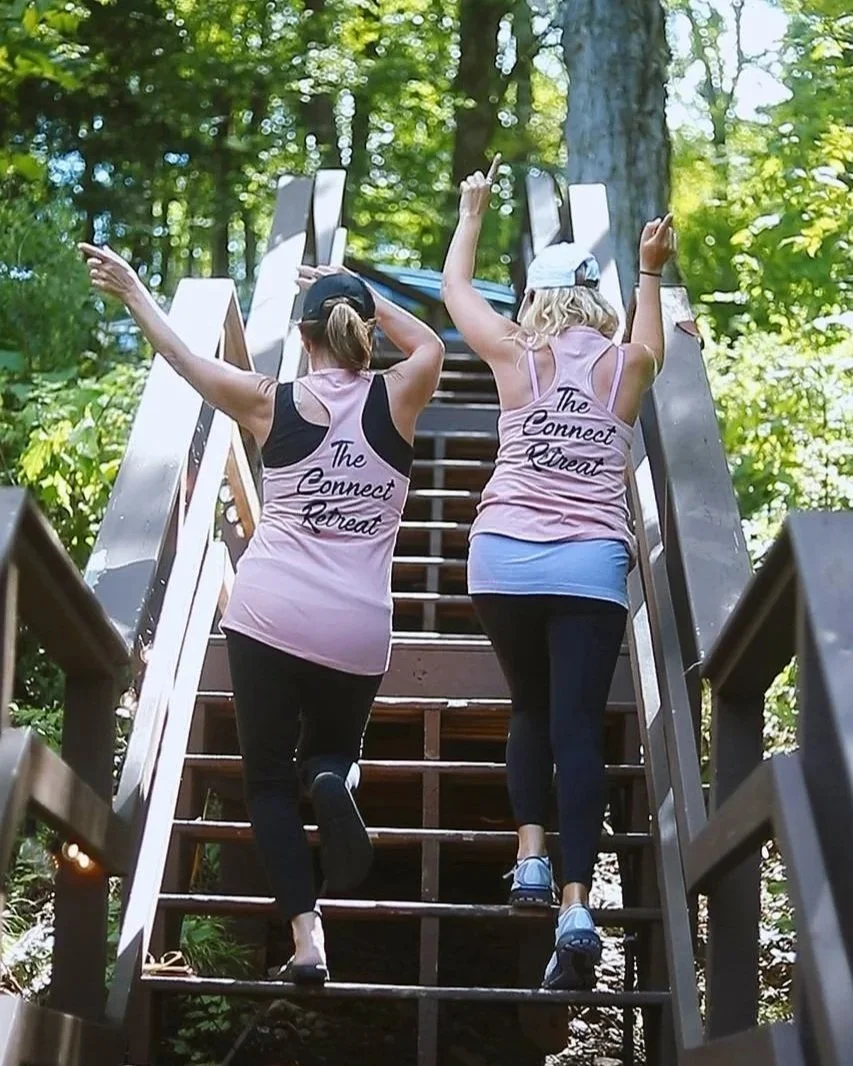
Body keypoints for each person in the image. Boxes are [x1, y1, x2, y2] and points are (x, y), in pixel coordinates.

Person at [81, 244, 445, 985]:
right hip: (355, 625)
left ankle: (308, 943)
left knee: (269, 784)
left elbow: (184, 360)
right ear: (363, 331)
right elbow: (431, 341)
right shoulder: (401, 394)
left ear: (305, 338)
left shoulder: (267, 400)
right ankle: (333, 778)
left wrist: (136, 292)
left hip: (268, 616)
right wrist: (360, 292)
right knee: (331, 753)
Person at [440, 159, 675, 991]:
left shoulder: (515, 354)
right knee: (576, 728)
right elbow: (651, 340)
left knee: (528, 709)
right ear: (593, 298)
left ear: (536, 298)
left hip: (501, 556)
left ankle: (530, 858)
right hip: (586, 563)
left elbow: (454, 290)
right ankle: (576, 906)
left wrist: (472, 212)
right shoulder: (626, 365)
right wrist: (650, 270)